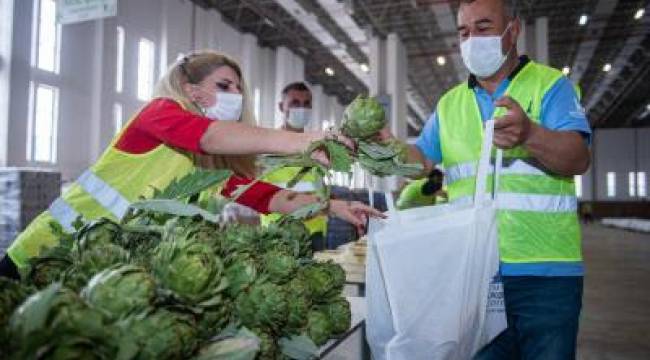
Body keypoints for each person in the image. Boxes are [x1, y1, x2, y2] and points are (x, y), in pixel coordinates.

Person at [0, 50, 382, 279]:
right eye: (224, 85)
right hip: (44, 253)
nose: (236, 94)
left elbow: (269, 199)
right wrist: (304, 139)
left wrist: (333, 206)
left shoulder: (205, 167)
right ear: (191, 90)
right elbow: (210, 135)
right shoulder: (159, 114)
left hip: (99, 272)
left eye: (238, 88)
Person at [380, 0, 591, 358]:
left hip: (545, 274)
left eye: (483, 28)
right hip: (475, 271)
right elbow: (420, 162)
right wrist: (384, 147)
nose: (471, 40)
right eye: (464, 32)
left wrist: (530, 134)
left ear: (514, 29)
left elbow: (578, 157)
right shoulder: (450, 104)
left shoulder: (550, 85)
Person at [260, 82, 329, 250]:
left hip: (314, 233)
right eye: (295, 103)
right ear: (281, 106)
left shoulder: (318, 146)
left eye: (306, 104)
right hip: (277, 232)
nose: (302, 108)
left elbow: (321, 188)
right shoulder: (266, 145)